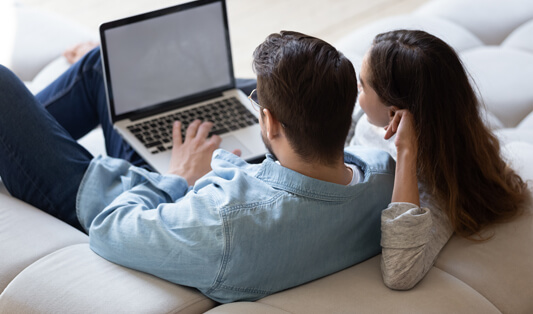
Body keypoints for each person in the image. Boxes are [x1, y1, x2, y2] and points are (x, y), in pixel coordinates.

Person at [0, 31, 395, 303]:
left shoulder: (225, 225)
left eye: (260, 107)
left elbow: (108, 226)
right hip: (210, 182)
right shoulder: (384, 178)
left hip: (101, 194)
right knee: (106, 66)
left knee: (50, 77)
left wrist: (178, 176)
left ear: (269, 122)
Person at [353, 29, 529, 290]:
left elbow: (400, 272)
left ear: (393, 112)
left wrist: (406, 152)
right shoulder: (374, 121)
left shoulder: (433, 190)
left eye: (362, 86)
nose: (357, 94)